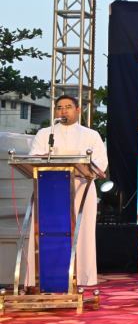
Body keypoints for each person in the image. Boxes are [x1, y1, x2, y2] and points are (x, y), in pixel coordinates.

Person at [27, 95, 108, 286]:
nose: (63, 110)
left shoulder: (91, 135)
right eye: (60, 107)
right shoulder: (45, 133)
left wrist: (83, 165)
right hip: (50, 190)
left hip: (81, 188)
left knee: (82, 232)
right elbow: (33, 158)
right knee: (47, 231)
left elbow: (101, 163)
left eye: (68, 107)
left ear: (78, 110)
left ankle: (82, 277)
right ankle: (43, 277)